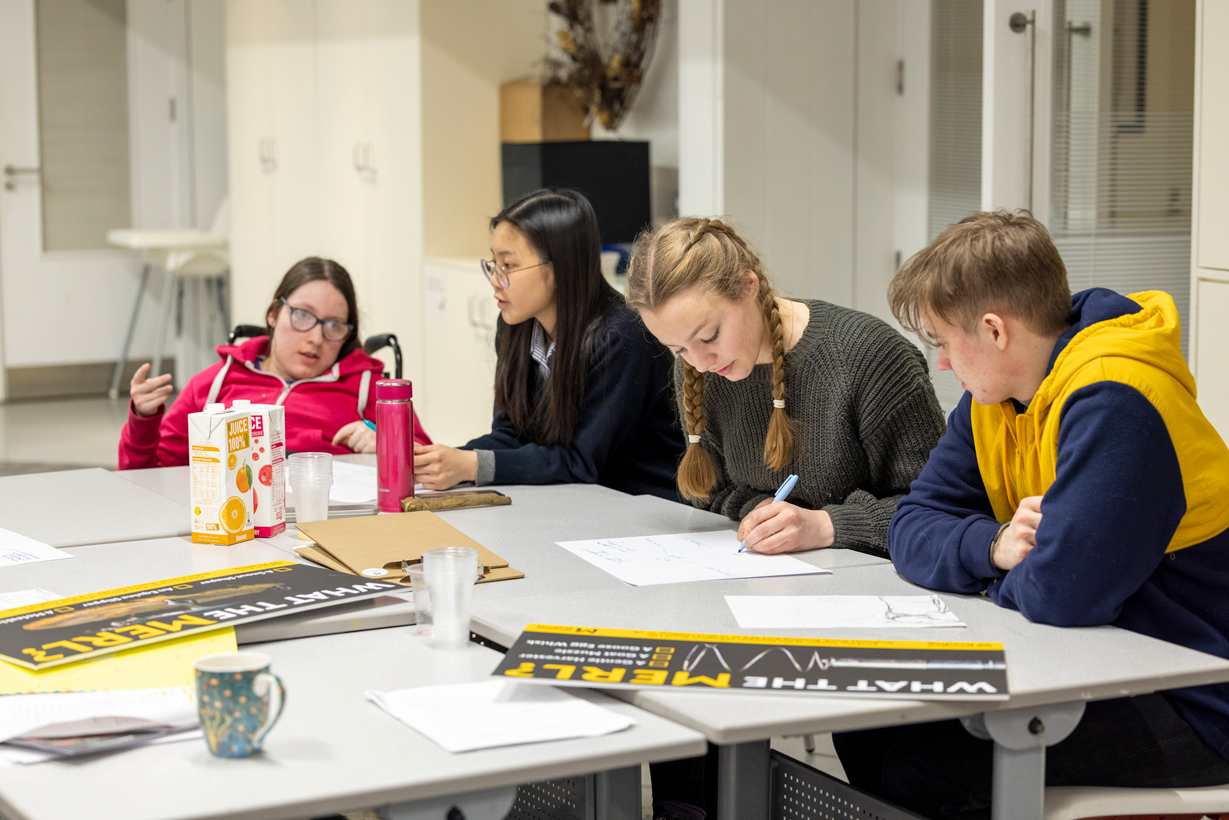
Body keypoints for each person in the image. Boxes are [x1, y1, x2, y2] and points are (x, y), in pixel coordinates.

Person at [834, 210, 1229, 819]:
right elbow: (910, 525)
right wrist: (995, 545)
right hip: (1093, 661)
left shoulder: (1117, 398)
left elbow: (1064, 593)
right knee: (866, 729)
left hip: (1195, 697)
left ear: (994, 330)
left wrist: (1011, 573)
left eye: (943, 342)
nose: (941, 363)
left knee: (927, 769)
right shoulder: (993, 399)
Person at [625, 216, 945, 820]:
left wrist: (825, 527)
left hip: (876, 629)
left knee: (883, 784)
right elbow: (709, 487)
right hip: (752, 599)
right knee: (680, 710)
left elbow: (939, 512)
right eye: (677, 349)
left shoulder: (870, 360)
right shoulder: (700, 364)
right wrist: (753, 513)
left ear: (750, 285)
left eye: (709, 335)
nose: (699, 359)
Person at [412, 188, 683, 500]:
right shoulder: (516, 324)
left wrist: (472, 465)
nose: (494, 280)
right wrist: (438, 460)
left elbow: (580, 462)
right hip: (574, 501)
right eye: (493, 264)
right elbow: (510, 435)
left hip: (644, 508)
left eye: (509, 266)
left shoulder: (623, 337)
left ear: (558, 269)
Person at [118, 256, 430, 469]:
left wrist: (385, 443)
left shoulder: (368, 387)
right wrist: (142, 420)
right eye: (303, 315)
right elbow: (147, 478)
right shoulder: (214, 384)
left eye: (334, 325)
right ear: (273, 314)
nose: (316, 339)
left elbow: (428, 462)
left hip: (326, 524)